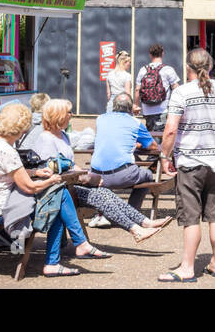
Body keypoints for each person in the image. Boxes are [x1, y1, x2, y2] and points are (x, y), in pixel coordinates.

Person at [0, 102, 109, 277]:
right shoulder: (7, 151)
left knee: (58, 199)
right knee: (58, 197)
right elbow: (29, 187)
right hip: (4, 209)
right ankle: (65, 254)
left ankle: (72, 250)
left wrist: (35, 171)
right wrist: (52, 180)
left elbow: (12, 173)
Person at [30, 99, 169, 244]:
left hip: (69, 184)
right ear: (58, 116)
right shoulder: (46, 139)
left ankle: (143, 222)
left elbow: (69, 164)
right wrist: (85, 178)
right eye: (69, 112)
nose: (71, 115)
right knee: (101, 196)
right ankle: (136, 229)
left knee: (105, 193)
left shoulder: (63, 135)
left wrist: (90, 175)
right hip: (58, 190)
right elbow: (52, 171)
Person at [159, 48, 215, 282]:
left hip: (190, 162)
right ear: (211, 66)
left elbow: (171, 129)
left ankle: (187, 267)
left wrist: (165, 157)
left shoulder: (182, 93)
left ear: (188, 68)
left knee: (191, 217)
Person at [90, 93, 162, 213]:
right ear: (131, 107)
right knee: (148, 174)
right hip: (121, 175)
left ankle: (106, 213)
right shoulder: (135, 122)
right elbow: (153, 146)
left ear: (114, 106)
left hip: (95, 174)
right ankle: (132, 212)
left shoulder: (100, 119)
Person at [135, 43, 180, 132]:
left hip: (147, 109)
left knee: (151, 135)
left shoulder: (143, 70)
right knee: (161, 137)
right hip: (163, 109)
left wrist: (136, 105)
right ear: (162, 53)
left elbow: (137, 89)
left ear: (150, 55)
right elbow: (176, 88)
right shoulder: (168, 69)